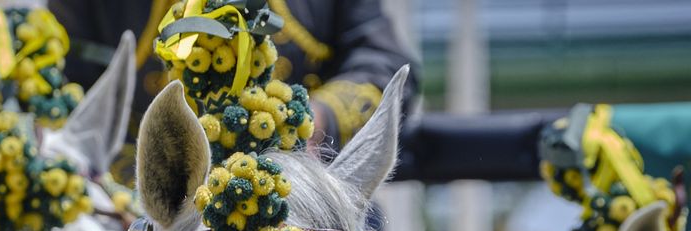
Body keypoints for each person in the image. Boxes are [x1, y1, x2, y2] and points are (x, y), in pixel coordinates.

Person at [50, 0, 418, 180]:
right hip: (141, 211)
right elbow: (63, 89)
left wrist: (316, 121)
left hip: (307, 193)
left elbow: (382, 61)